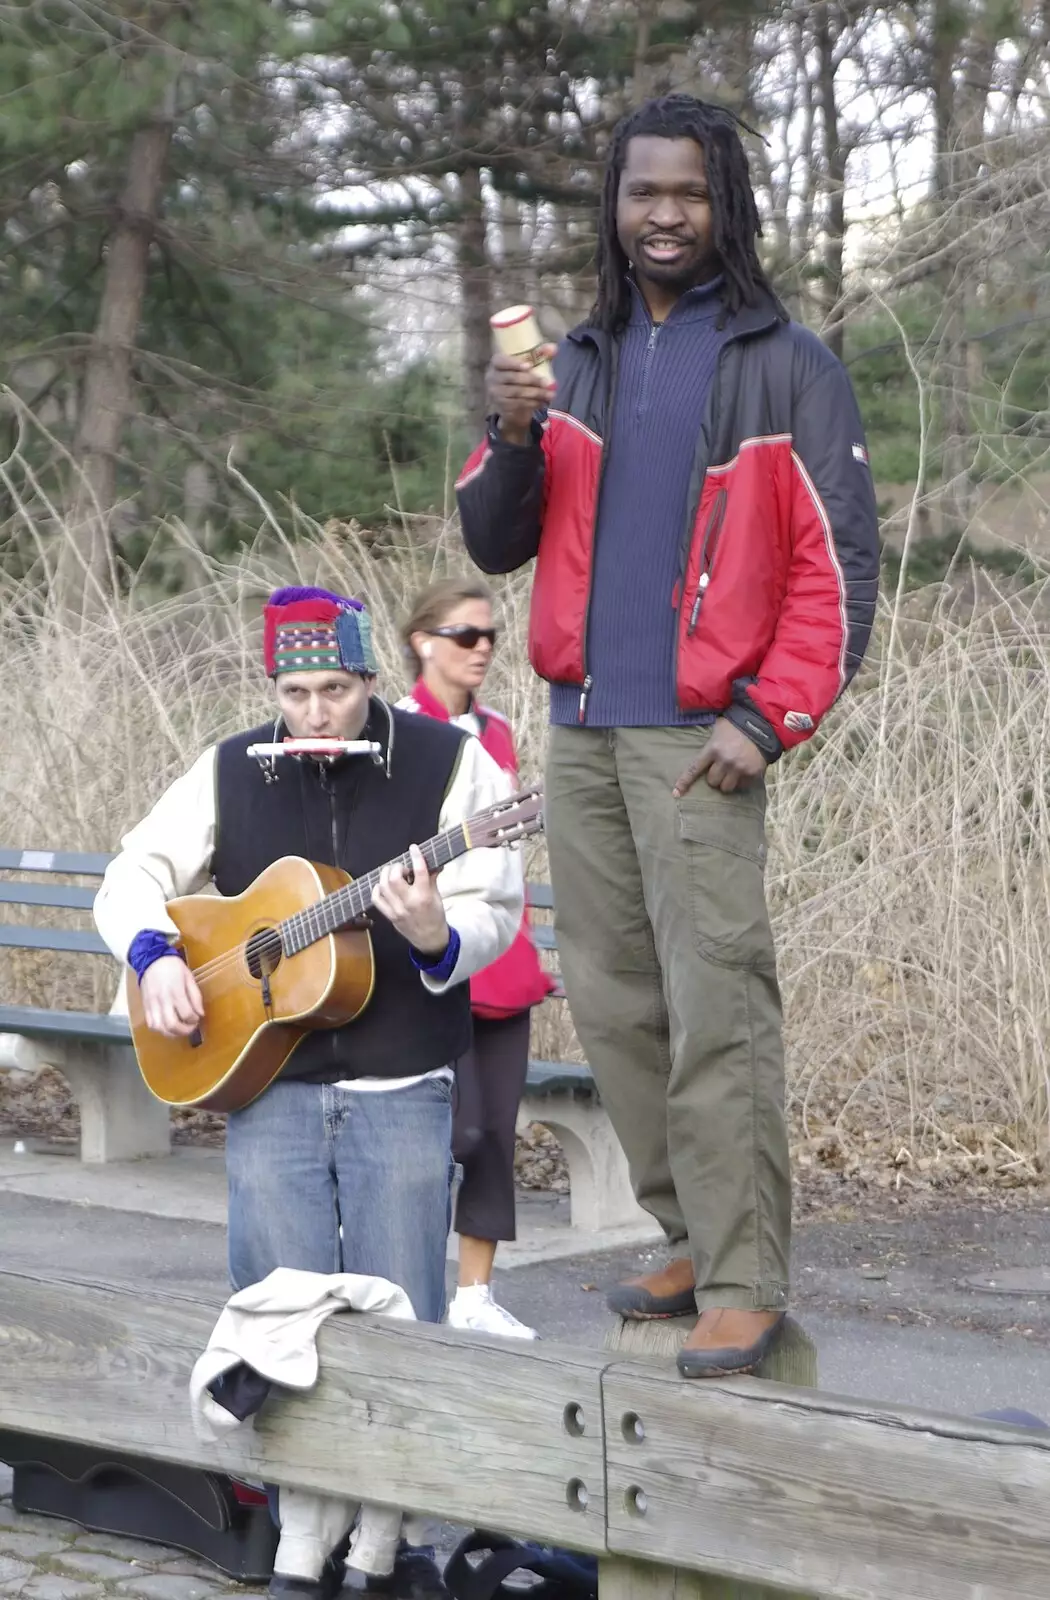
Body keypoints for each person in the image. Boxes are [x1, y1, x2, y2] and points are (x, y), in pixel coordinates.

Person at [456, 93, 880, 1379]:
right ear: (616, 203)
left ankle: (747, 1276)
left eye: (689, 191)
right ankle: (690, 1236)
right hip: (582, 730)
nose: (665, 213)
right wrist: (510, 432)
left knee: (718, 1010)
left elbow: (840, 567)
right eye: (644, 191)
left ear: (725, 203)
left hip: (703, 739)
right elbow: (494, 540)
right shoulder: (571, 360)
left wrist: (771, 718)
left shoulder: (787, 362)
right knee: (620, 1008)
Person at [93, 585, 523, 1597]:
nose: (316, 710)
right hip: (271, 1081)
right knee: (271, 1316)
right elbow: (133, 869)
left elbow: (494, 898)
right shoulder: (231, 765)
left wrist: (434, 936)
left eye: (335, 687)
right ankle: (298, 1539)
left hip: (402, 1078)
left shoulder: (450, 761)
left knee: (400, 1316)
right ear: (271, 686)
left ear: (371, 678)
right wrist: (155, 954)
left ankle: (394, 1542)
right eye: (295, 691)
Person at [397, 577, 555, 1340]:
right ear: (423, 642)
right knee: (440, 1133)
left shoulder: (495, 729)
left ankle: (475, 1295)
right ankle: (405, 1280)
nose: (483, 648)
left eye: (490, 636)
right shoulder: (396, 730)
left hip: (499, 962)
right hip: (419, 963)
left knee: (491, 1129)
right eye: (466, 635)